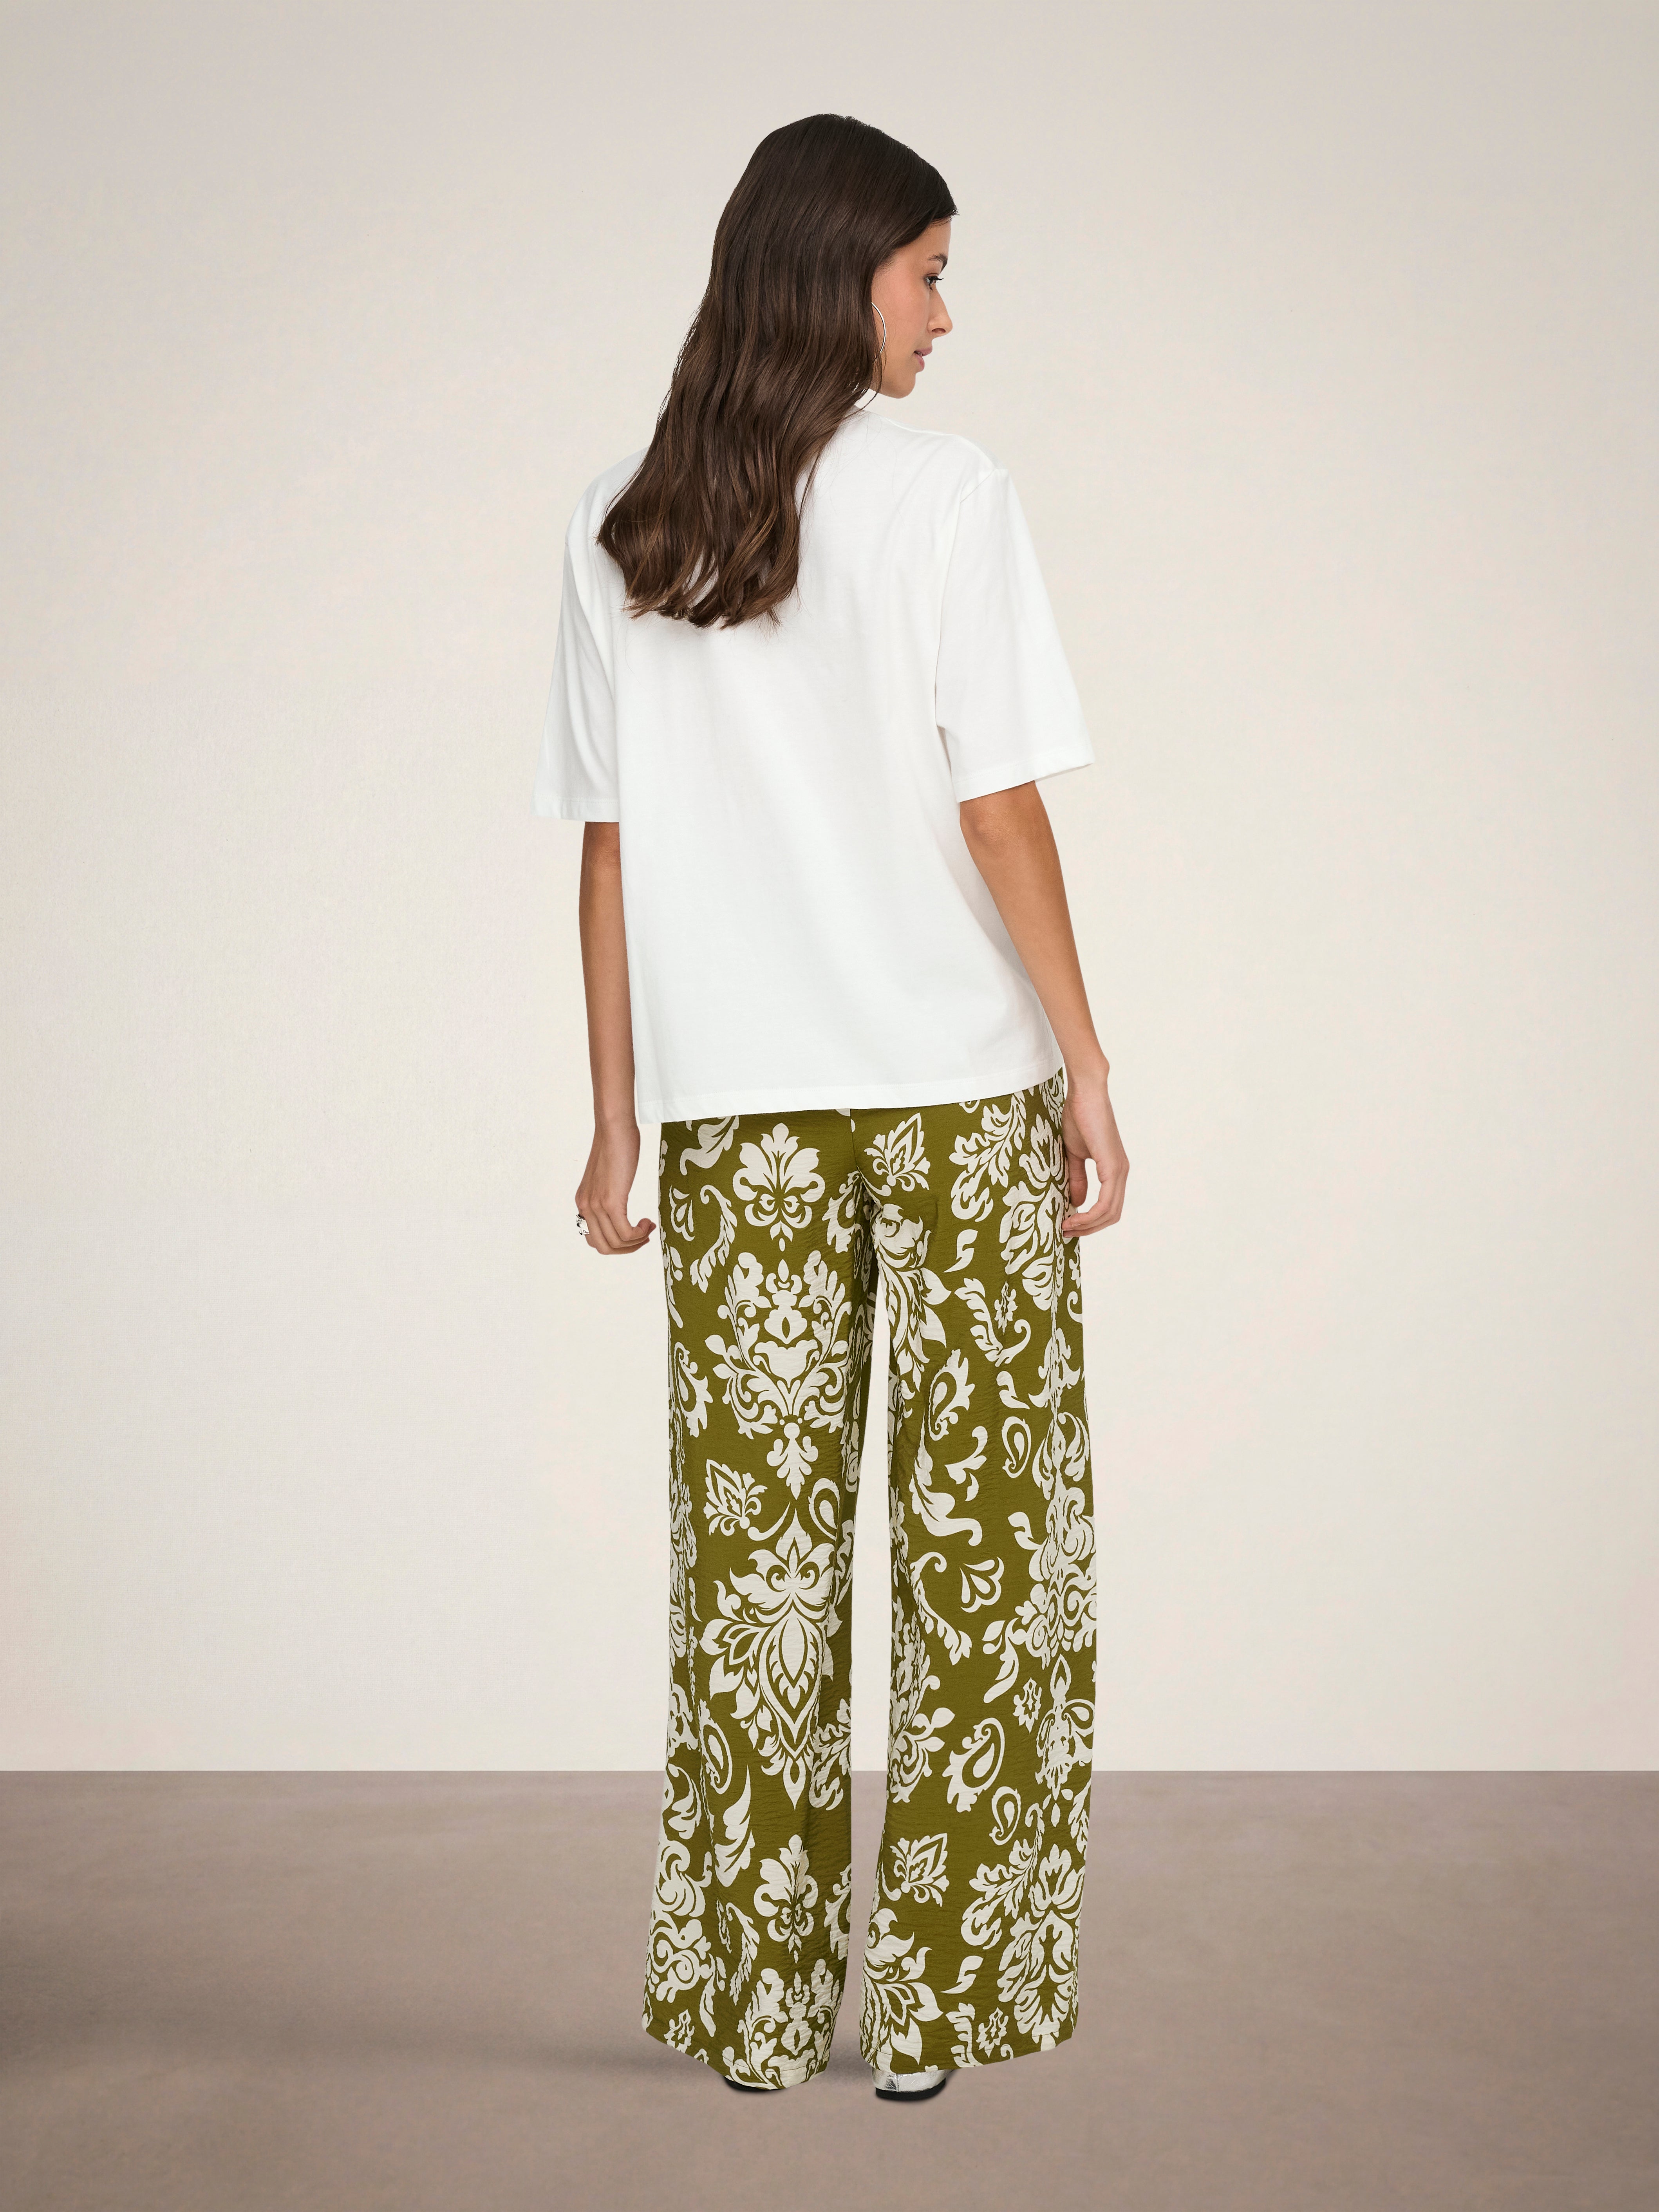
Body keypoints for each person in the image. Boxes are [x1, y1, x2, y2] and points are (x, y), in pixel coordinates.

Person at [535, 112, 1128, 2101]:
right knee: (987, 1565)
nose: (947, 317)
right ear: (837, 267)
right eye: (928, 274)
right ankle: (940, 2008)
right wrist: (1090, 1059)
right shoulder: (947, 493)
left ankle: (761, 2006)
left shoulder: (625, 516)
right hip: (958, 1094)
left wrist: (619, 1113)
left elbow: (610, 850)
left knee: (756, 1574)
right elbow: (999, 805)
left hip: (742, 1120)